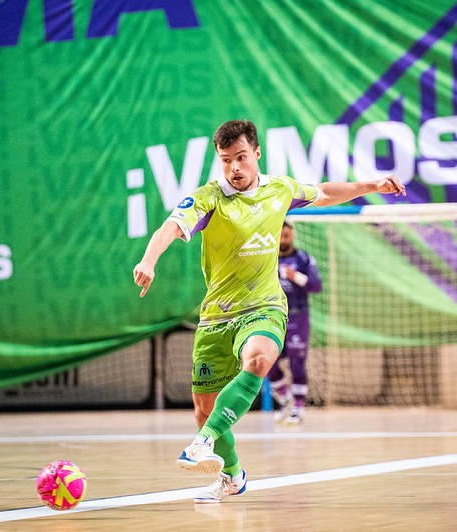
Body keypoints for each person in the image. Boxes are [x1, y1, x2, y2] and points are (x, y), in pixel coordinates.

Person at [133, 119, 405, 503]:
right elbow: (170, 228)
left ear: (257, 153)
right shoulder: (209, 197)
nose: (234, 168)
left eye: (241, 157)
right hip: (216, 317)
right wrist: (149, 260)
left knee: (258, 359)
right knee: (204, 410)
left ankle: (202, 442)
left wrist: (372, 186)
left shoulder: (281, 188)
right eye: (226, 160)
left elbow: (325, 192)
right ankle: (232, 477)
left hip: (265, 306)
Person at [270, 220, 322, 425]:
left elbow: (317, 286)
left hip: (297, 316)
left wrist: (296, 277)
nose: (284, 239)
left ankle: (298, 408)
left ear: (292, 236)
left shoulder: (303, 259)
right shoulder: (267, 258)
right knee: (268, 363)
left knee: (297, 364)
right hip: (273, 316)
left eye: (287, 235)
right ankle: (284, 398)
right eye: (281, 236)